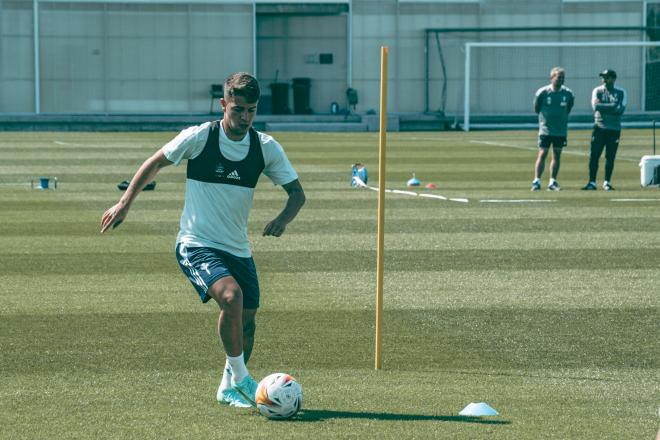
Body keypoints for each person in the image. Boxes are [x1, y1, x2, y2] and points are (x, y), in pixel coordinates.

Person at [100, 72, 305, 408]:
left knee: (248, 322)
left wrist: (282, 219)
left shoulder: (265, 147)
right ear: (223, 104)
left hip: (238, 249)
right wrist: (124, 204)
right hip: (196, 243)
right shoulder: (200, 137)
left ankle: (228, 387)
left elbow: (297, 193)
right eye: (238, 109)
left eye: (251, 110)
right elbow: (155, 162)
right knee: (231, 297)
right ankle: (243, 380)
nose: (245, 117)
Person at [581, 69, 627, 191]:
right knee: (594, 155)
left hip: (614, 129)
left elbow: (620, 110)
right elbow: (596, 107)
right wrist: (612, 106)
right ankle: (592, 182)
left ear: (613, 78)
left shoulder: (621, 92)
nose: (604, 79)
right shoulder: (598, 91)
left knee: (610, 156)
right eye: (603, 77)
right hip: (599, 128)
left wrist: (605, 107)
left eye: (606, 77)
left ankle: (607, 182)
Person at [531, 67, 574, 191]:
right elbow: (536, 108)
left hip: (560, 130)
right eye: (558, 77)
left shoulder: (568, 93)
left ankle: (552, 182)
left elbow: (569, 108)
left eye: (562, 77)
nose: (560, 79)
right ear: (552, 78)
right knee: (543, 153)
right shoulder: (542, 92)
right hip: (545, 129)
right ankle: (536, 181)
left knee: (557, 154)